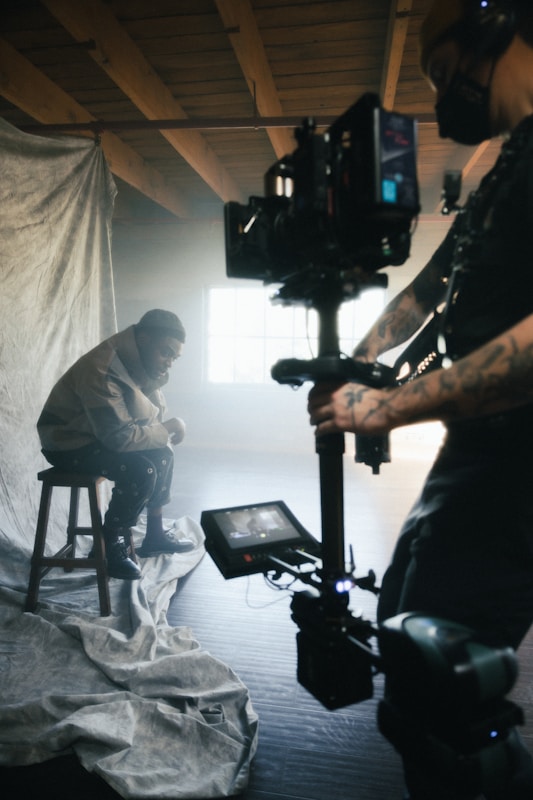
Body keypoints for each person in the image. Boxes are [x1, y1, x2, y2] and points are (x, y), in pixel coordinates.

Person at [308, 1, 533, 798]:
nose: (443, 95)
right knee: (404, 634)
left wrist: (391, 407)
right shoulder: (510, 162)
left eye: (443, 74)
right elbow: (436, 283)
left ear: (494, 33)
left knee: (443, 689)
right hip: (480, 448)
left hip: (518, 463)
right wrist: (361, 356)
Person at [37, 309, 193, 581]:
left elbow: (147, 418)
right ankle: (109, 547)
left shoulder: (138, 360)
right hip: (67, 443)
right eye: (165, 353)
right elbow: (119, 439)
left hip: (96, 434)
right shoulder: (103, 368)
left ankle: (154, 535)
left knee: (163, 452)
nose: (169, 362)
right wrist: (169, 426)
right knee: (140, 471)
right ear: (143, 340)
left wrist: (163, 430)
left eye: (174, 357)